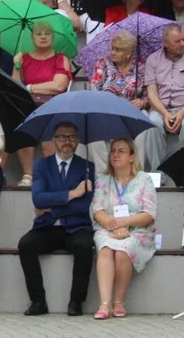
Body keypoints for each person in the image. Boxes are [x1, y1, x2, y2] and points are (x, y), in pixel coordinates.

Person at [19, 122, 95, 317]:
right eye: (62, 137)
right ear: (54, 140)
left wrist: (50, 208)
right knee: (26, 244)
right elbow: (38, 198)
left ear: (78, 141)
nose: (67, 142)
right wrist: (72, 193)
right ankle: (38, 301)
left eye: (71, 137)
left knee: (84, 246)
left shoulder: (87, 167)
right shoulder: (41, 165)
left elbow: (83, 206)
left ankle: (76, 301)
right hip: (48, 227)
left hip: (78, 227)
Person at [90, 136, 158, 319]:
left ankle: (119, 301)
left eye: (121, 151)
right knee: (105, 248)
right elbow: (98, 210)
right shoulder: (103, 180)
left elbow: (149, 214)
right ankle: (104, 304)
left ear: (132, 157)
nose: (115, 155)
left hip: (138, 231)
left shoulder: (144, 180)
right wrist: (113, 227)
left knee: (123, 250)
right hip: (107, 228)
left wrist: (122, 223)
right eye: (112, 151)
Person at [12, 22, 73, 184]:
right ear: (32, 38)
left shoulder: (60, 58)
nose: (43, 36)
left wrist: (30, 87)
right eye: (39, 34)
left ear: (53, 37)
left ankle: (53, 174)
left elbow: (59, 86)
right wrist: (16, 67)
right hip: (28, 105)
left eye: (47, 33)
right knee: (20, 119)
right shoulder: (23, 58)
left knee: (47, 120)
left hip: (54, 104)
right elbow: (15, 88)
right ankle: (28, 175)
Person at [87, 31, 155, 171]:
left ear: (128, 53)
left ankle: (136, 171)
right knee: (92, 126)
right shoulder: (103, 63)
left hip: (131, 112)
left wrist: (143, 102)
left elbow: (149, 94)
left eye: (117, 49)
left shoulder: (141, 67)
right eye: (112, 48)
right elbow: (94, 90)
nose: (112, 52)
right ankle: (103, 173)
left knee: (145, 121)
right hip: (106, 111)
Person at [143, 24, 184, 170]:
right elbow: (151, 93)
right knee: (152, 123)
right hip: (161, 108)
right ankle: (157, 172)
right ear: (165, 43)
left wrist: (182, 114)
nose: (182, 44)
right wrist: (165, 113)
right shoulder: (152, 60)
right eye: (177, 41)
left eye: (183, 39)